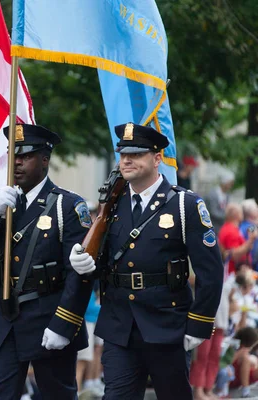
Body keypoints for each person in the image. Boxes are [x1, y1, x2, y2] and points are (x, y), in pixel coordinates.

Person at [69, 122, 223, 399]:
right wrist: (84, 261)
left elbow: (210, 271)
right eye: (123, 154)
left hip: (168, 324)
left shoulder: (184, 205)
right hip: (120, 326)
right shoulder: (112, 205)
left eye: (136, 154)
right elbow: (105, 262)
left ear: (157, 158)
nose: (126, 160)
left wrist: (199, 323)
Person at [0, 123, 93, 399]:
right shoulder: (0, 202)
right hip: (3, 318)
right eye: (13, 156)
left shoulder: (67, 206)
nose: (17, 163)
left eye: (26, 156)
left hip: (48, 316)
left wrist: (64, 324)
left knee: (57, 395)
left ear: (44, 160)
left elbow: (78, 275)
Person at [219, 203, 257, 275]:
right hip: (234, 274)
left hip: (234, 272)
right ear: (236, 214)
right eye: (241, 212)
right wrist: (250, 240)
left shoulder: (228, 228)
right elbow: (234, 255)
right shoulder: (231, 231)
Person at [240, 199, 258, 270]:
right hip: (251, 264)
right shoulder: (250, 227)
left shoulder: (244, 224)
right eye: (256, 208)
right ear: (250, 213)